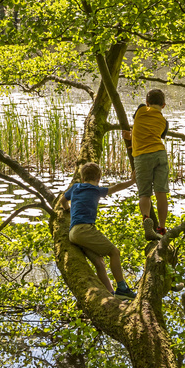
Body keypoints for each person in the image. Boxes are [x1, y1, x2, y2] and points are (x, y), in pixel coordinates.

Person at [61, 161, 137, 299]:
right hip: (85, 230)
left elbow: (62, 200)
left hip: (73, 233)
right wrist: (132, 181)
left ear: (83, 178)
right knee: (114, 252)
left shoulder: (75, 187)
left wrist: (67, 210)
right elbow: (116, 187)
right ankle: (122, 288)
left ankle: (111, 293)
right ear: (98, 179)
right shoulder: (96, 190)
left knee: (99, 262)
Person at [126, 88, 169, 241]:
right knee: (161, 193)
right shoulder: (164, 122)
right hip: (160, 154)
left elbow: (139, 127)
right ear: (163, 105)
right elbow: (156, 134)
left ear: (147, 102)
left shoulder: (141, 109)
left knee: (144, 193)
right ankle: (162, 227)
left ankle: (146, 219)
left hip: (142, 156)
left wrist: (130, 137)